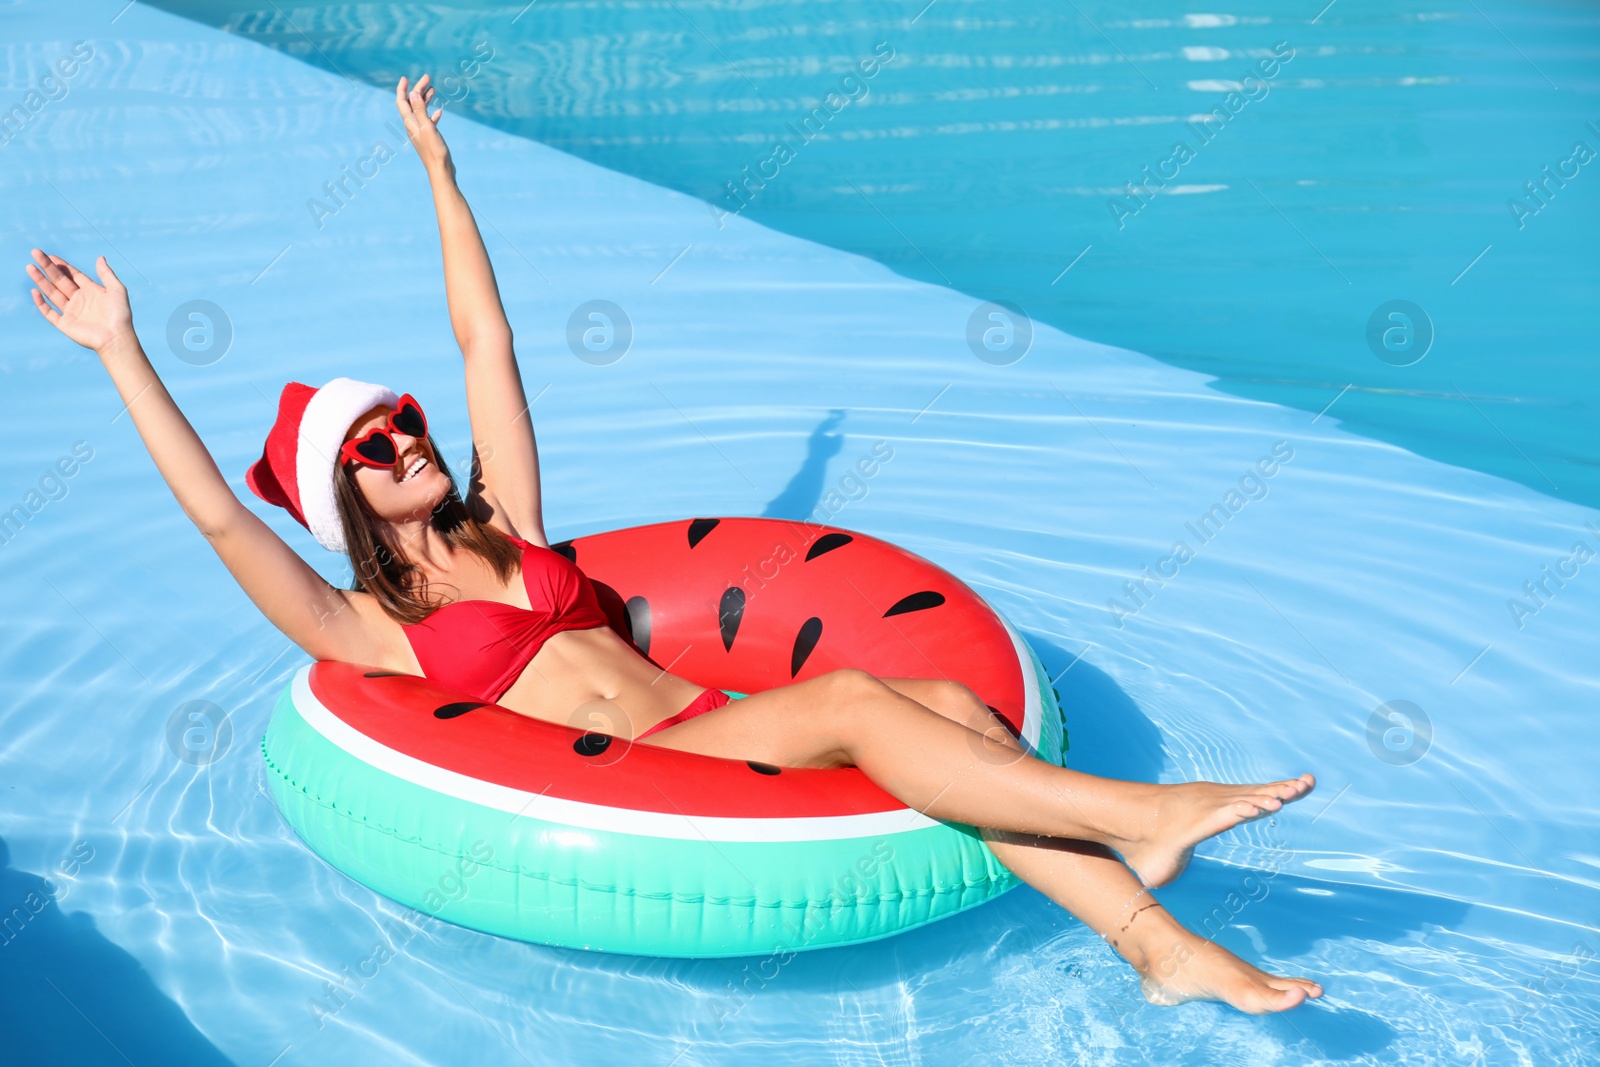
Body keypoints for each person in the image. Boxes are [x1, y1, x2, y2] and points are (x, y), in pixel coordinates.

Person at [25, 72, 1323, 1014]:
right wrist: (121, 349)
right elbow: (214, 514)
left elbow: (489, 345)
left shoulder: (511, 524)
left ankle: (1154, 941)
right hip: (647, 760)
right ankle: (1139, 820)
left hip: (708, 712)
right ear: (344, 499)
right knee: (871, 702)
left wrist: (440, 175)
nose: (408, 441)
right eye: (376, 447)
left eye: (404, 420)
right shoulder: (369, 629)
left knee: (934, 702)